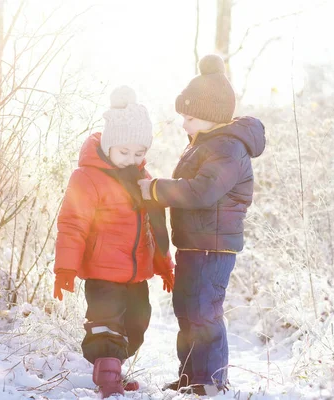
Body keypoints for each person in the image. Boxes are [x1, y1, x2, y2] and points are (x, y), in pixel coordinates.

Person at [138, 54, 266, 396]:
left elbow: (203, 191)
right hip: (195, 243)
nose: (184, 125)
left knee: (204, 312)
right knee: (187, 310)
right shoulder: (204, 144)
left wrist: (156, 189)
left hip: (213, 246)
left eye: (190, 117)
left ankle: (211, 381)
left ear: (211, 117)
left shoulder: (227, 149)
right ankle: (191, 376)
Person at [53, 86, 174, 398]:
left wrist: (164, 266)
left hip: (136, 275)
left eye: (139, 153)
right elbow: (72, 223)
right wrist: (65, 268)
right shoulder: (87, 177)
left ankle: (112, 367)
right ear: (108, 146)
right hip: (102, 271)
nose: (131, 159)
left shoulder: (142, 180)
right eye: (124, 152)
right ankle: (108, 378)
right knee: (105, 324)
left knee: (136, 325)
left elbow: (154, 227)